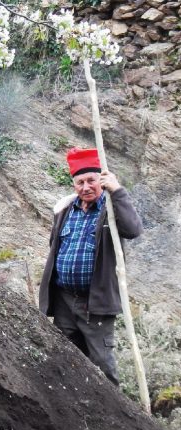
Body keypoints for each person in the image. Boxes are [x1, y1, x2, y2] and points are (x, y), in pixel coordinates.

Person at [38, 147, 143, 385]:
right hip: (64, 299)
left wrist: (117, 191)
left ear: (101, 180)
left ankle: (114, 417)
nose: (86, 187)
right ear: (74, 184)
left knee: (102, 364)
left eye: (91, 181)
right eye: (80, 182)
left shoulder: (110, 210)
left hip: (95, 302)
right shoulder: (65, 209)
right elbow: (55, 245)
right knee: (67, 358)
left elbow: (133, 229)